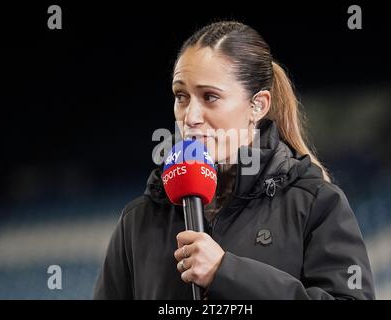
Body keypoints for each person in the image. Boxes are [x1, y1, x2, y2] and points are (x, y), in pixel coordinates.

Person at [93, 21, 375, 300]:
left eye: (210, 97)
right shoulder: (139, 219)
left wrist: (225, 273)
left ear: (258, 106)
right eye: (181, 96)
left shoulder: (315, 203)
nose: (190, 117)